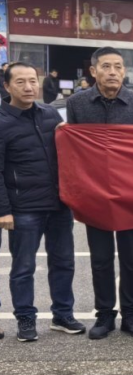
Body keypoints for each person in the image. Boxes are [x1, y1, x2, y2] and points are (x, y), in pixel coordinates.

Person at [66, 46, 133, 339]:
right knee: (101, 259)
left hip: (131, 194)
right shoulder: (78, 103)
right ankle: (105, 315)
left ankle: (131, 315)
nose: (113, 72)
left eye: (118, 66)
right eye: (106, 66)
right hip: (95, 194)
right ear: (94, 71)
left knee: (130, 259)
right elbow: (73, 148)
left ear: (124, 71)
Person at [0, 62, 84, 341]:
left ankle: (63, 314)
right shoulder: (2, 120)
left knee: (64, 263)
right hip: (24, 208)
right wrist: (4, 210)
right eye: (20, 82)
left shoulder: (49, 113)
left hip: (59, 205)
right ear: (7, 86)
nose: (28, 87)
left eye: (33, 81)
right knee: (23, 267)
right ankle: (25, 318)